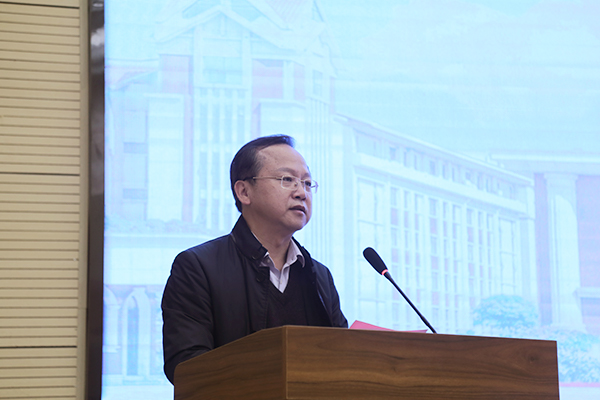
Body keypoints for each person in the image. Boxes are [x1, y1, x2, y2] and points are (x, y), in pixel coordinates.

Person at [161, 134, 347, 384]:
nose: (301, 193)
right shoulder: (197, 267)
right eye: (287, 180)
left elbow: (343, 360)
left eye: (306, 182)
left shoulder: (319, 275)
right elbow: (186, 366)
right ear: (244, 191)